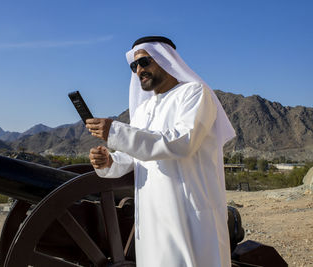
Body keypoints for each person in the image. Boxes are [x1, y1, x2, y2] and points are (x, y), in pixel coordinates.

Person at [86, 36, 235, 267]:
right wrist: (109, 162)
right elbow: (138, 156)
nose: (139, 71)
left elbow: (182, 141)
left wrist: (116, 132)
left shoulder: (194, 94)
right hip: (152, 215)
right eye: (134, 66)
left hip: (188, 212)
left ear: (166, 60)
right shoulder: (144, 109)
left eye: (144, 62)